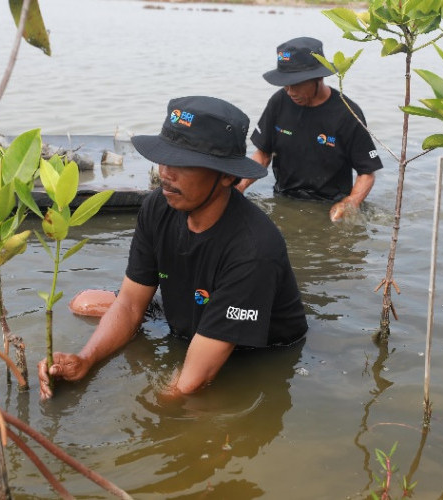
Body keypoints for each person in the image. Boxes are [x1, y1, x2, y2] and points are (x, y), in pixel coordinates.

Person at [38, 95, 308, 400]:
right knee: (83, 303)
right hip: (189, 314)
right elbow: (128, 304)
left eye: (183, 163)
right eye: (164, 158)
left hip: (246, 347)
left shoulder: (254, 250)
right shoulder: (158, 206)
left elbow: (190, 382)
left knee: (178, 398)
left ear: (227, 175)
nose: (166, 173)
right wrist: (85, 360)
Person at [237, 36, 383, 221]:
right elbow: (263, 154)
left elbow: (366, 173)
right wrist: (240, 186)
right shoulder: (279, 101)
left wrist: (350, 202)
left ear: (319, 77)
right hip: (284, 198)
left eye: (296, 84)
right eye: (285, 84)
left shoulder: (347, 113)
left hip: (328, 204)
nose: (290, 91)